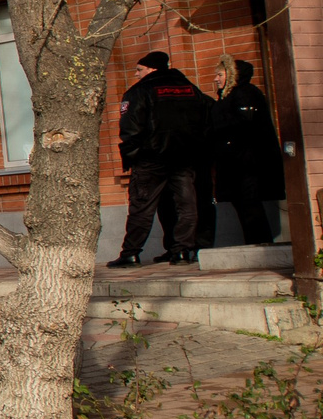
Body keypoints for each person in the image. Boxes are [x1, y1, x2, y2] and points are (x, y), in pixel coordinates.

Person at [111, 50, 212, 266]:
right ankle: (182, 251)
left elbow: (130, 129)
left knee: (141, 206)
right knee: (186, 205)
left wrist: (132, 156)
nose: (136, 74)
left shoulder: (139, 91)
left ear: (152, 69)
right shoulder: (191, 89)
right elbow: (205, 121)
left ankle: (131, 253)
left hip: (151, 158)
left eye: (139, 70)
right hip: (184, 159)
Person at [212, 59, 285, 247]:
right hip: (238, 161)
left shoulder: (245, 93)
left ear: (232, 75)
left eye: (220, 74)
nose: (216, 79)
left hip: (247, 161)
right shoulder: (231, 95)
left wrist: (215, 128)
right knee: (243, 202)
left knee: (249, 202)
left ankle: (259, 242)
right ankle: (255, 241)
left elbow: (243, 122)